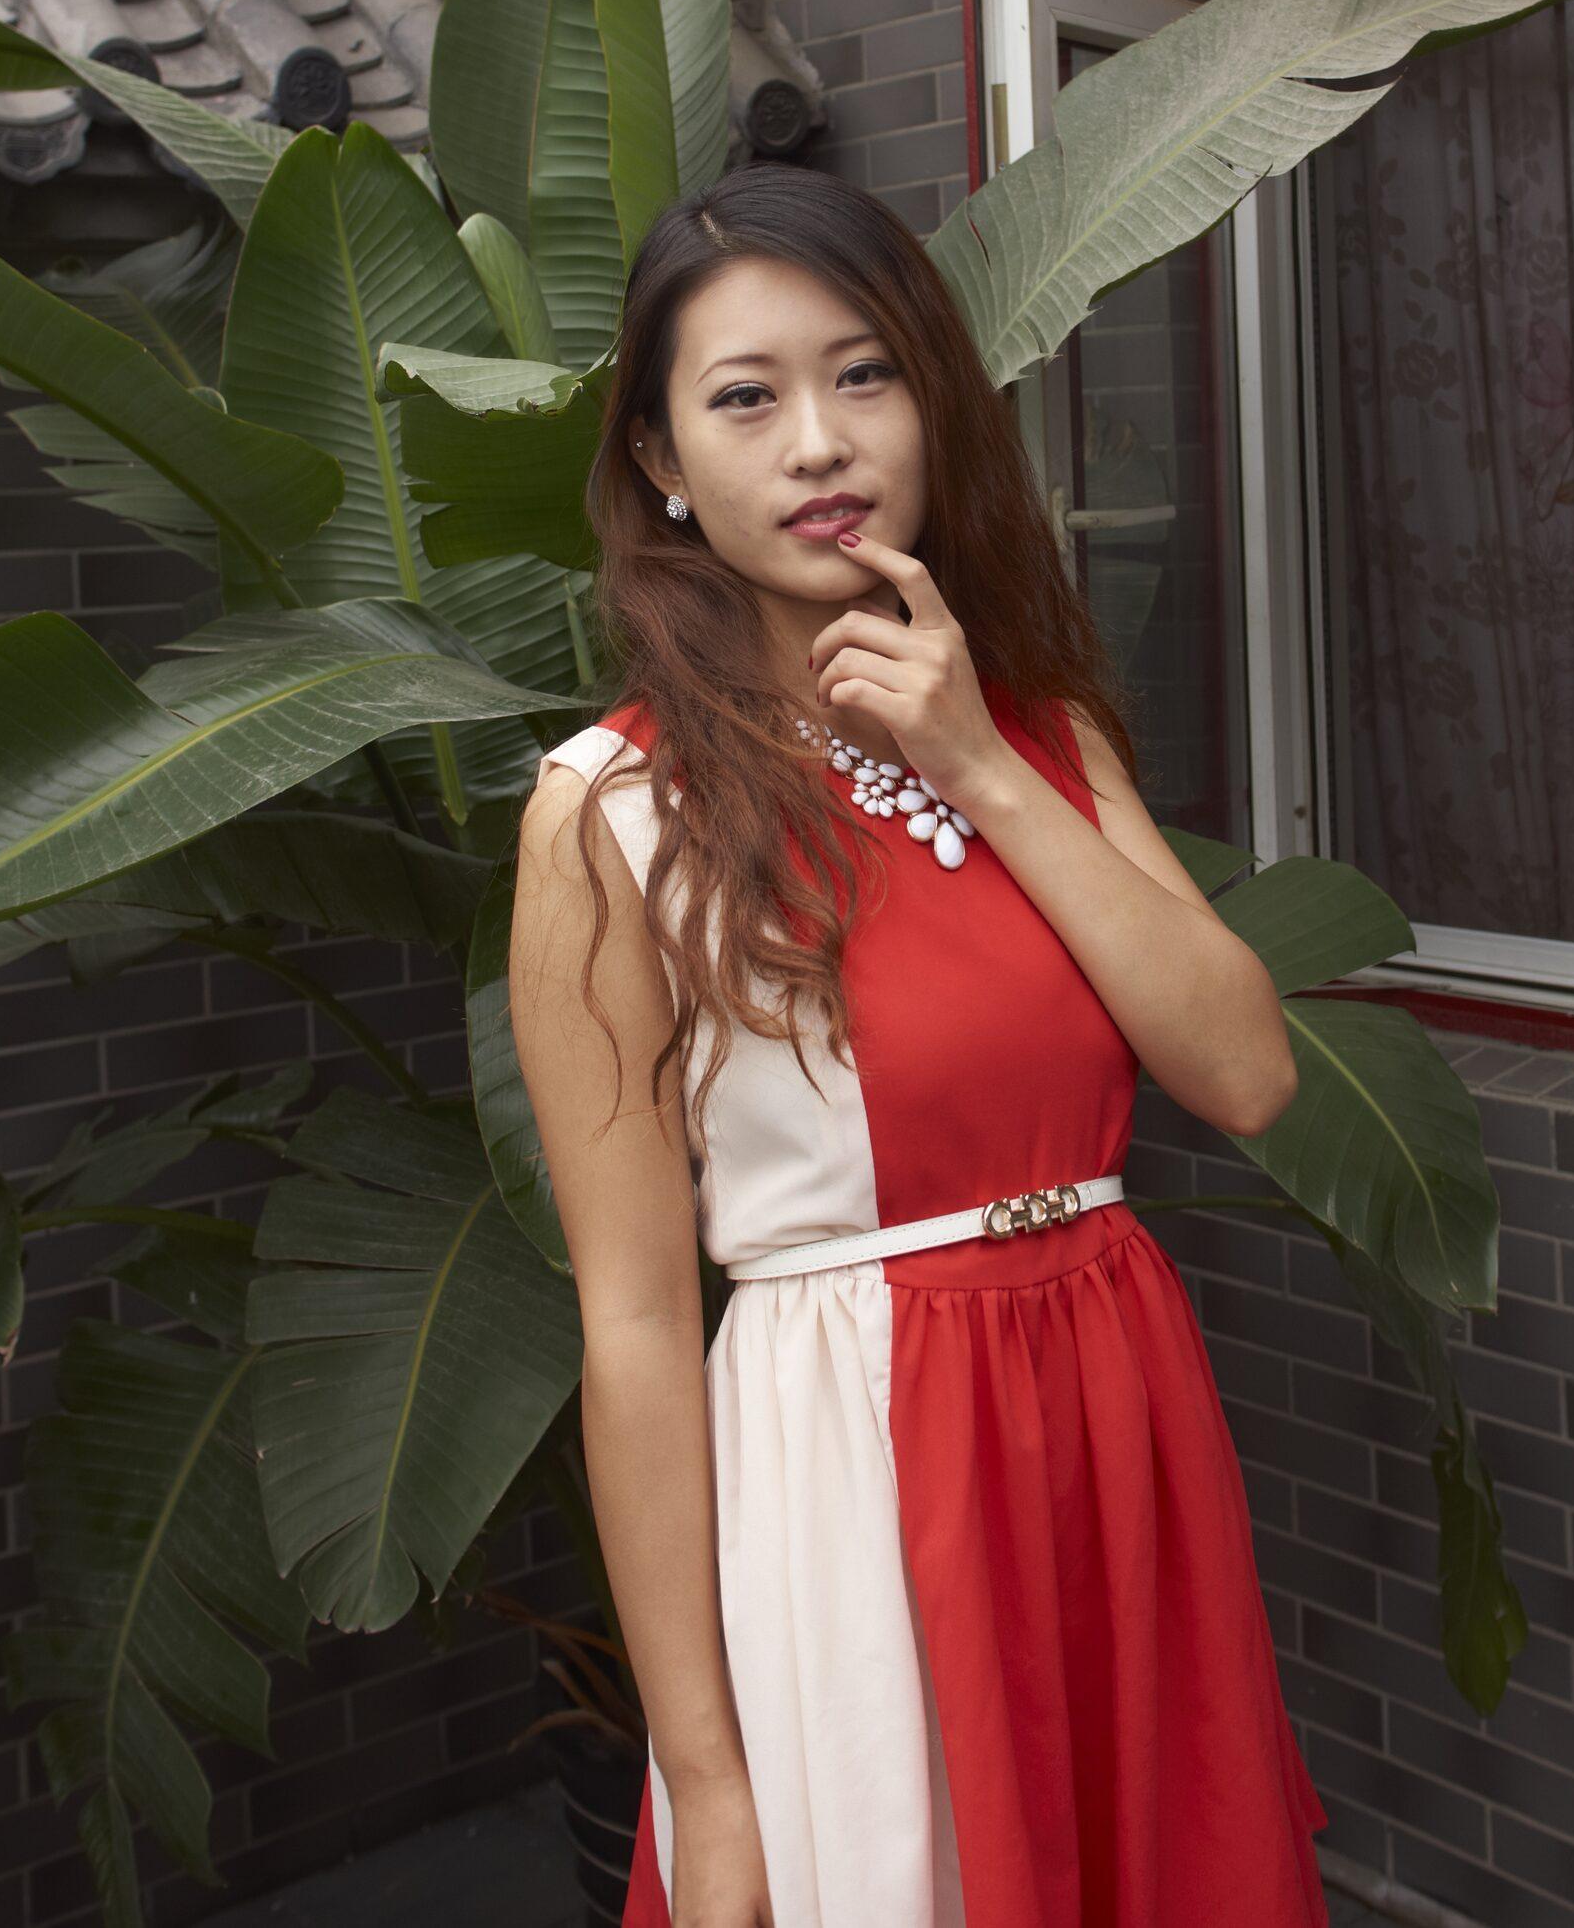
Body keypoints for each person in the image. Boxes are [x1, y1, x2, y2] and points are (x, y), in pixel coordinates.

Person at [509, 164, 1331, 1928]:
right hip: (858, 1465)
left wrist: (977, 765)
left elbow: (1248, 1074)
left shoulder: (1035, 728)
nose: (820, 440)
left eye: (864, 374)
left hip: (1114, 1418)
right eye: (747, 397)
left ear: (932, 402)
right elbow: (636, 1325)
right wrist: (703, 1777)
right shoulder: (612, 810)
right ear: (661, 457)